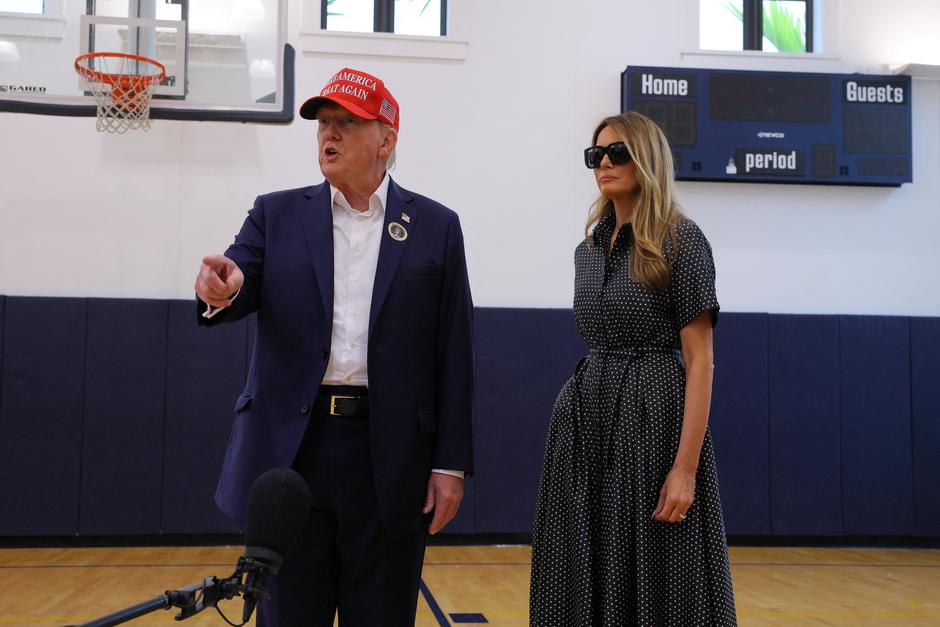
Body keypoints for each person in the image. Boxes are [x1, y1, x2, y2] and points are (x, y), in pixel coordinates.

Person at [193, 67, 474, 627]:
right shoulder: (275, 213)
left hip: (389, 458)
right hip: (290, 454)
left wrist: (451, 465)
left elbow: (455, 351)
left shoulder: (436, 227)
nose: (330, 133)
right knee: (289, 615)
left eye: (348, 122)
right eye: (324, 122)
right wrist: (222, 289)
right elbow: (238, 278)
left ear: (387, 139)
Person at [529, 111, 737, 625]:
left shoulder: (680, 240)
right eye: (594, 155)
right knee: (579, 566)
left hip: (652, 423)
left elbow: (701, 360)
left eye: (616, 152)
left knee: (660, 568)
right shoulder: (588, 248)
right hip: (585, 426)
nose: (603, 163)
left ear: (647, 157)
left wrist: (684, 470)